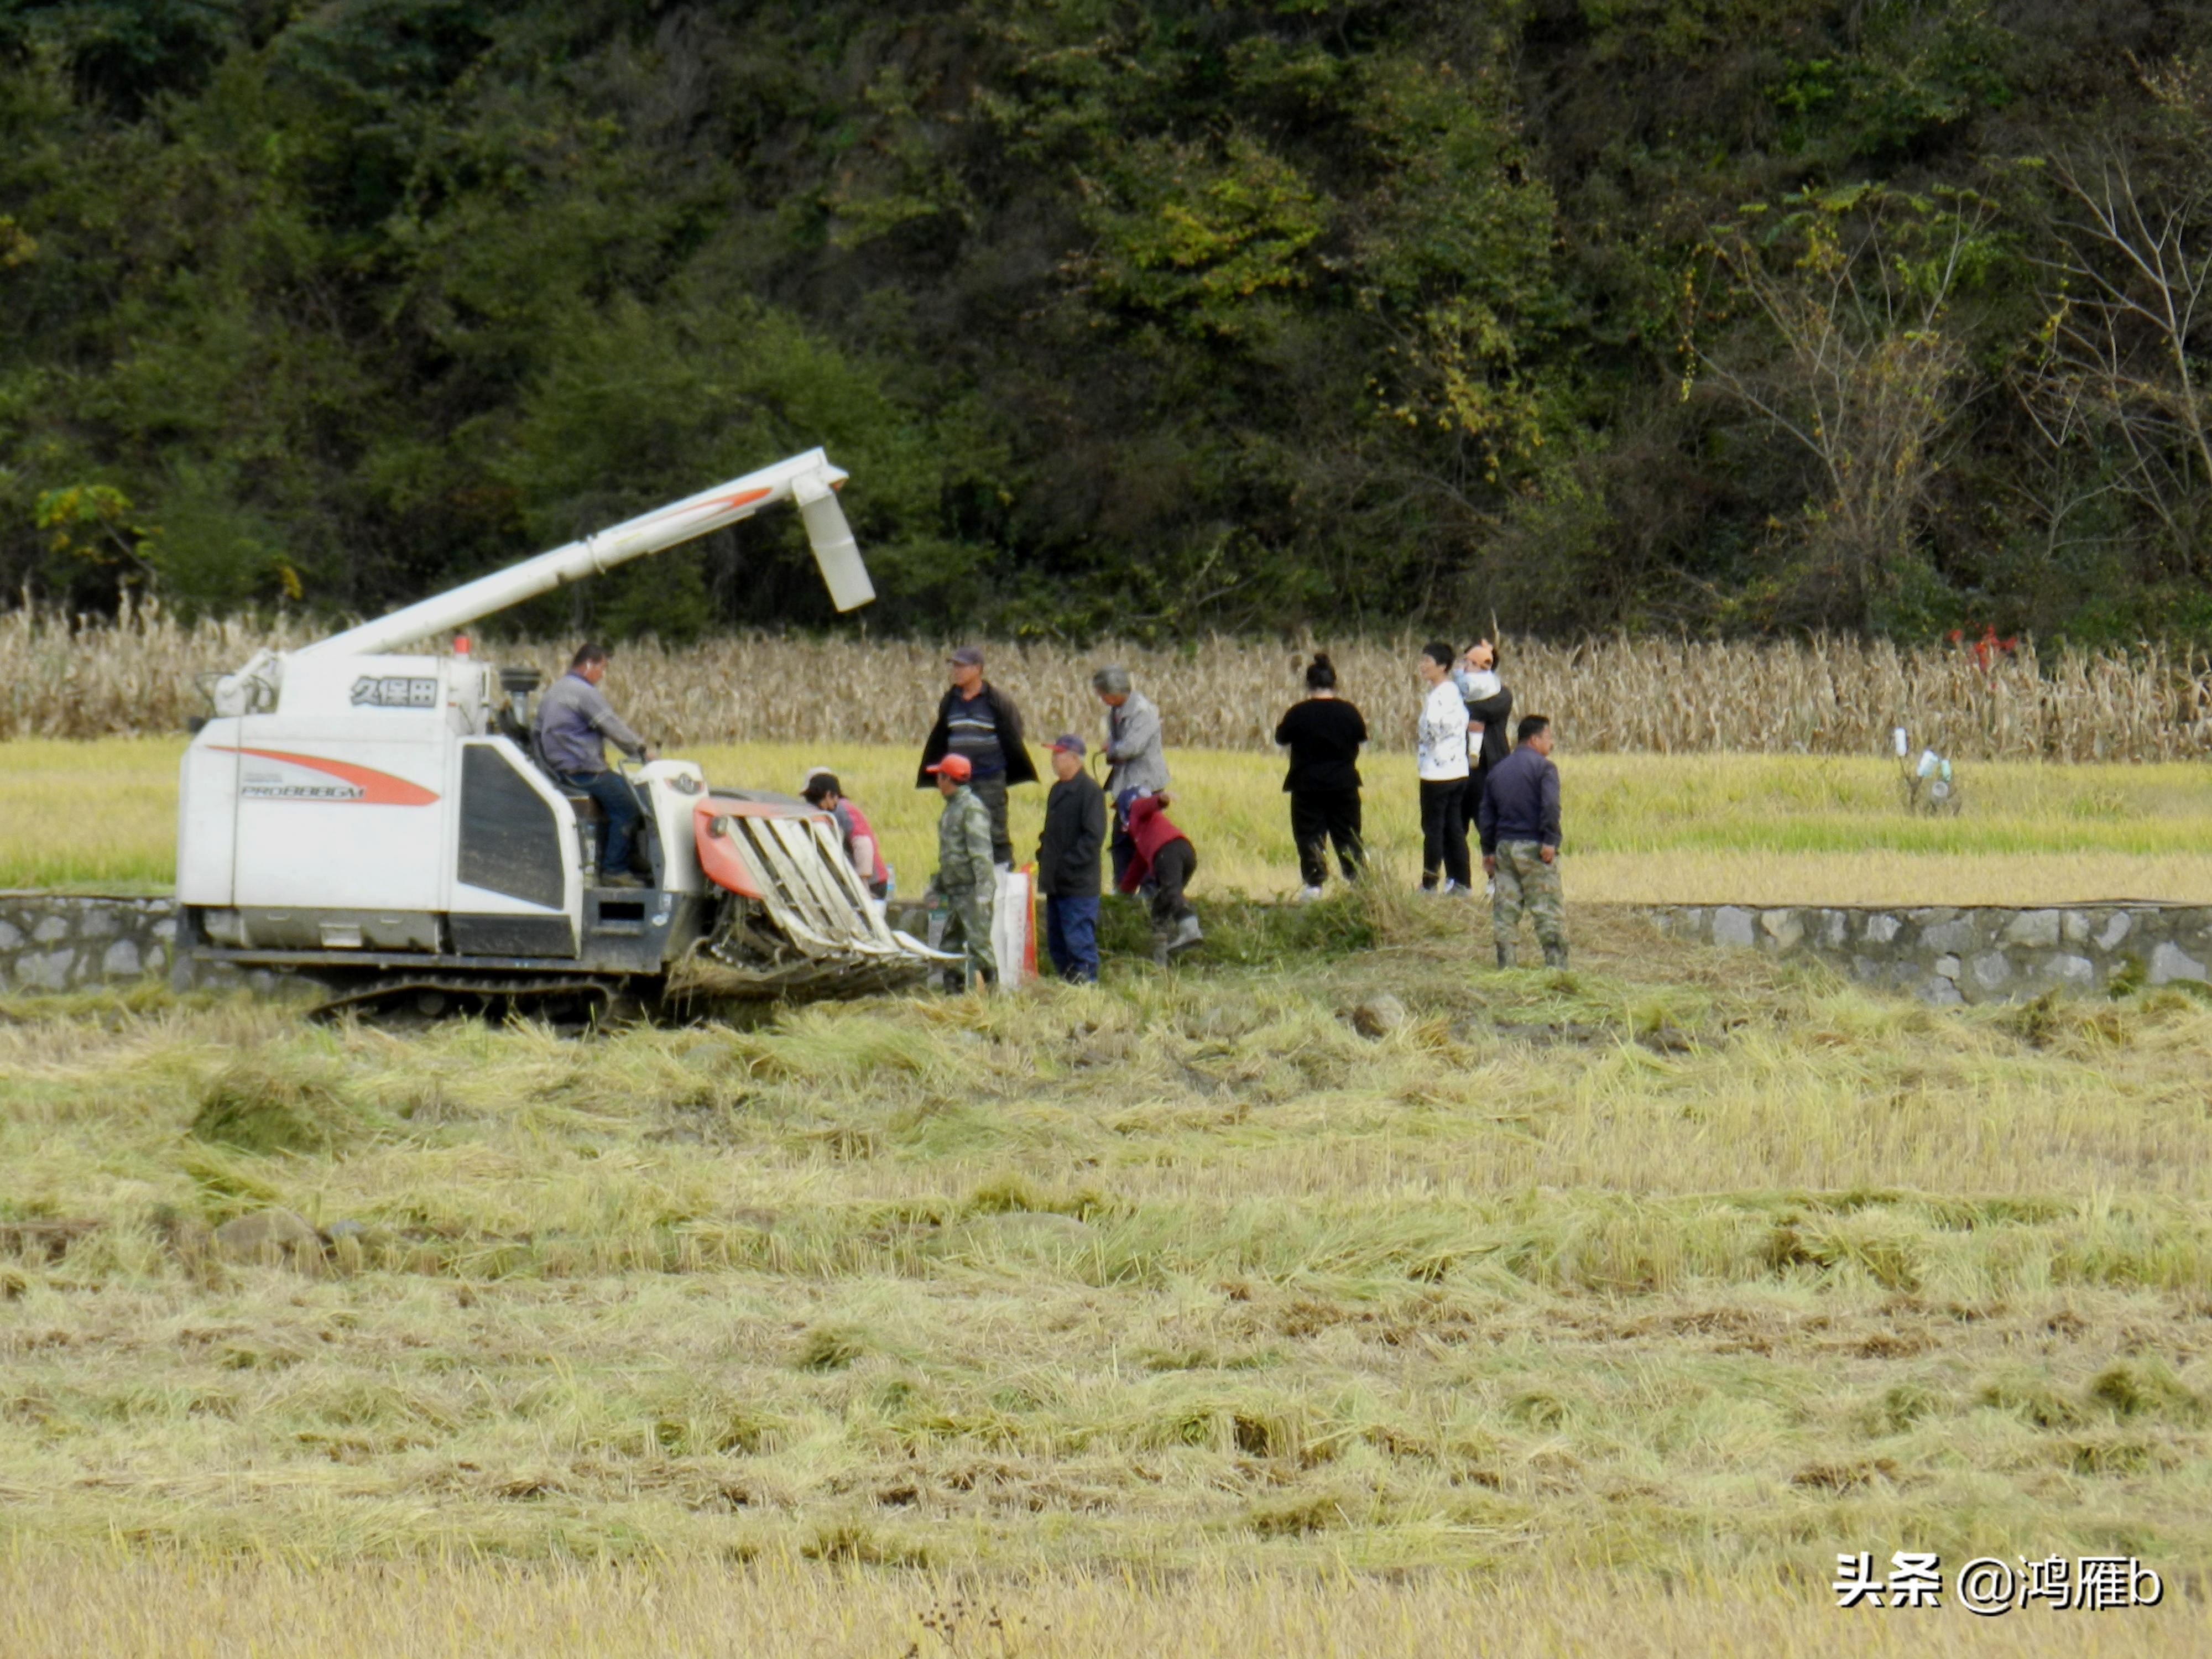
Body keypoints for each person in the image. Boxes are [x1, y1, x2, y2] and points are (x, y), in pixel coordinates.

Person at [533, 642, 656, 888]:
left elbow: (537, 731)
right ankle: (615, 870)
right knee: (631, 806)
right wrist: (642, 751)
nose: (601, 675)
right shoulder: (583, 692)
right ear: (589, 664)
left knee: (630, 790)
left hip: (561, 768)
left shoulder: (555, 690)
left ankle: (626, 855)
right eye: (602, 668)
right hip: (583, 770)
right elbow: (611, 726)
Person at [917, 645, 1036, 869]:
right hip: (957, 780)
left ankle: (1003, 879)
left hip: (989, 777)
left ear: (978, 669)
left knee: (995, 831)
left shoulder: (996, 700)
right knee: (958, 830)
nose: (956, 671)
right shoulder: (950, 700)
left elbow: (1014, 733)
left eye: (962, 666)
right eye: (954, 666)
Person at [1273, 653, 1367, 900]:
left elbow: (1281, 738)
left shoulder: (1299, 713)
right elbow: (1360, 737)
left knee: (1309, 834)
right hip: (1344, 783)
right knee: (1348, 834)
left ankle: (1314, 885)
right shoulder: (1349, 712)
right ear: (1335, 683)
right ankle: (1358, 883)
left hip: (1308, 784)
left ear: (1308, 684)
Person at [1478, 714, 1567, 969]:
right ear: (1534, 738)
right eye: (1548, 737)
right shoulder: (1544, 768)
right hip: (1535, 848)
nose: (1551, 743)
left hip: (1504, 848)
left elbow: (1487, 813)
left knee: (1506, 910)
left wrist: (1488, 850)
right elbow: (1550, 806)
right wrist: (1551, 840)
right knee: (1547, 909)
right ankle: (1557, 969)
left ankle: (1507, 967)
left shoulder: (1498, 770)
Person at [1035, 734, 1106, 983]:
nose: (1053, 760)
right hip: (1056, 883)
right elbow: (1052, 833)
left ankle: (1087, 990)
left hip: (1078, 885)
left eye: (1058, 754)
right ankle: (1068, 989)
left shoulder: (1090, 792)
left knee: (1079, 941)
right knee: (1058, 943)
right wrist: (1043, 856)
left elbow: (1093, 838)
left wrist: (1066, 866)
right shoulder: (1057, 790)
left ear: (1074, 758)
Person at [923, 753, 996, 989]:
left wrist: (984, 893)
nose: (937, 782)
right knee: (950, 945)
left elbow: (980, 853)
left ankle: (993, 997)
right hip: (955, 891)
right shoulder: (952, 809)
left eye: (939, 777)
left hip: (971, 891)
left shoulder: (971, 809)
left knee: (979, 945)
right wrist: (937, 886)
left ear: (948, 779)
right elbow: (950, 856)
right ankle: (952, 994)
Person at [1093, 664, 1168, 888]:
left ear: (1114, 692)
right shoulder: (1115, 713)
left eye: (1103, 694)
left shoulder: (1143, 713)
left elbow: (1131, 748)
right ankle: (1122, 889)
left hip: (1146, 786)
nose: (1102, 698)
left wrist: (1111, 749)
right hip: (1125, 786)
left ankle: (1149, 892)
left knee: (1145, 842)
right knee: (1121, 841)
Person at [1415, 640, 1472, 894]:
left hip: (1436, 773)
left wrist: (1425, 738)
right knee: (1454, 827)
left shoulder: (1440, 695)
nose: (1423, 666)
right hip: (1458, 770)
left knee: (1434, 829)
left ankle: (1429, 883)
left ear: (1443, 666)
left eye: (1428, 661)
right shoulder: (1455, 693)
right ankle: (1461, 882)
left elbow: (1433, 728)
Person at [1117, 792, 1201, 963]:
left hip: (1167, 851)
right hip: (1185, 852)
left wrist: (1162, 799)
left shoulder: (1136, 808)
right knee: (1161, 906)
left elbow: (1149, 804)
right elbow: (1138, 865)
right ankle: (1160, 958)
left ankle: (1190, 928)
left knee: (1170, 893)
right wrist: (1124, 892)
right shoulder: (1143, 833)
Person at [801, 771, 890, 901]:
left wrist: (863, 884)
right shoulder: (818, 813)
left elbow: (863, 844)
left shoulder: (840, 810)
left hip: (871, 883)